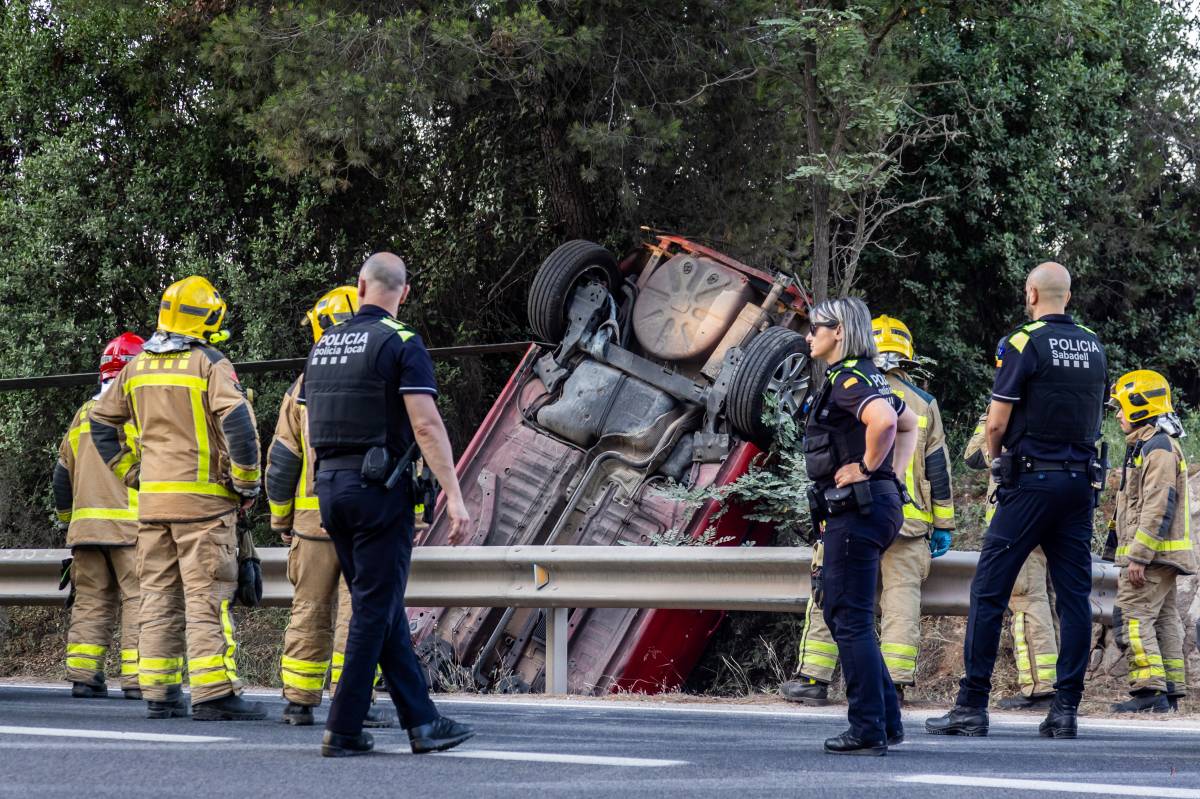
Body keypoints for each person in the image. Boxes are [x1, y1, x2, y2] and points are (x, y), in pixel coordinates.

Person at [303, 252, 474, 757]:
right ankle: (344, 726)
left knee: (381, 606)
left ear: (360, 285)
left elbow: (313, 432)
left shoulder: (325, 345)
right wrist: (455, 497)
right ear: (405, 292)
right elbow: (425, 425)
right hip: (379, 493)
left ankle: (423, 722)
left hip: (330, 490)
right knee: (374, 608)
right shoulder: (401, 342)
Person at [926, 261, 1107, 740]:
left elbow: (996, 422)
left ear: (1031, 295)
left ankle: (971, 706)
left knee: (988, 590)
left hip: (1029, 483)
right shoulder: (1094, 345)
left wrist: (996, 459)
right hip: (1078, 488)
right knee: (1073, 599)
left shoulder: (1024, 342)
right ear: (1066, 296)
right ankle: (1065, 711)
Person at [90, 276, 265, 721]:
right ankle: (214, 694)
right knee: (207, 597)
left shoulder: (136, 367)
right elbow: (239, 425)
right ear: (206, 319)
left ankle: (159, 693)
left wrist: (131, 473)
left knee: (158, 598)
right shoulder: (209, 363)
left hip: (153, 507)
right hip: (204, 506)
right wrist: (246, 484)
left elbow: (100, 423)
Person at [782, 315, 953, 705]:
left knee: (832, 593)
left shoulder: (848, 387)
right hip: (906, 519)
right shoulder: (923, 402)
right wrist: (943, 523)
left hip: (850, 510)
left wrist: (861, 470)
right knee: (901, 601)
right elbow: (938, 468)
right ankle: (891, 683)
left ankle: (813, 678)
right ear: (907, 357)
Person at [802, 297, 918, 756]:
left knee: (847, 619)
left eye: (817, 327)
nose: (809, 335)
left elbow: (887, 421)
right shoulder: (868, 375)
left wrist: (869, 469)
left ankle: (868, 727)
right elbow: (910, 423)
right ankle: (887, 721)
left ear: (840, 332)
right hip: (876, 506)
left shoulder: (850, 378)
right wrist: (892, 474)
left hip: (859, 510)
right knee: (849, 618)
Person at [269, 285, 389, 727]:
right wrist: (412, 515)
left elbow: (282, 459)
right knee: (358, 610)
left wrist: (281, 516)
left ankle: (299, 702)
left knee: (308, 609)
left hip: (311, 521)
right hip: (364, 515)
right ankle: (354, 701)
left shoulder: (301, 385)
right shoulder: (378, 372)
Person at [53, 333, 145, 700]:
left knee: (91, 600)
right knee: (141, 599)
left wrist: (68, 520)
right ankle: (139, 678)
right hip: (131, 527)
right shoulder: (138, 412)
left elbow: (62, 475)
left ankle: (84, 675)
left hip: (85, 531)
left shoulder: (82, 416)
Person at [1106, 370, 1193, 713]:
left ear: (1140, 408)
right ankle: (1169, 691)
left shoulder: (1156, 447)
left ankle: (1148, 690)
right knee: (1164, 619)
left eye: (1122, 408)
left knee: (1132, 614)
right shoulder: (1152, 444)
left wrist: (1138, 557)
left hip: (1152, 556)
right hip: (1161, 556)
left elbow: (1157, 505)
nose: (1117, 415)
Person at [964, 400, 1060, 711]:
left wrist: (989, 414)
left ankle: (1040, 687)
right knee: (1043, 598)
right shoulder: (1059, 406)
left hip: (1017, 516)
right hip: (1053, 509)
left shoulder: (1007, 412)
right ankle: (1051, 683)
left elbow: (974, 456)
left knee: (1026, 599)